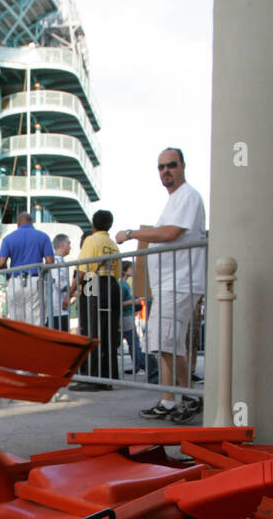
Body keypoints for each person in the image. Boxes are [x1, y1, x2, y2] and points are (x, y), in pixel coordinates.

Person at [116, 148, 206, 423]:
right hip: (170, 283)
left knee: (168, 342)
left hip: (180, 283)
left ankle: (189, 397)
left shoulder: (188, 196)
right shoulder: (176, 199)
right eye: (161, 167)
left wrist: (131, 233)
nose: (166, 170)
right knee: (164, 342)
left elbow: (171, 233)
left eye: (171, 165)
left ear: (182, 166)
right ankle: (170, 400)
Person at [72, 211, 121, 390]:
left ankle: (91, 377)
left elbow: (83, 270)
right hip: (112, 285)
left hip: (93, 283)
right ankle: (109, 376)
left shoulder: (91, 240)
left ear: (93, 224)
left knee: (90, 331)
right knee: (109, 332)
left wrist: (70, 292)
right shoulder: (113, 245)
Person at [0, 211, 54, 324]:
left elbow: (1, 262)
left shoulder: (8, 239)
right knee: (36, 321)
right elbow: (50, 261)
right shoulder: (43, 237)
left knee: (16, 322)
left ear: (18, 224)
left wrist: (8, 276)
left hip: (15, 282)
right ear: (32, 222)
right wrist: (44, 273)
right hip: (35, 281)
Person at [47, 233, 72, 333]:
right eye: (68, 243)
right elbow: (60, 284)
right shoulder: (58, 262)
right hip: (58, 309)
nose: (70, 246)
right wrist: (73, 290)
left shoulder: (56, 261)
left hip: (56, 309)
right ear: (62, 245)